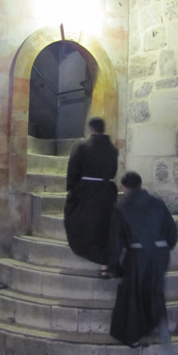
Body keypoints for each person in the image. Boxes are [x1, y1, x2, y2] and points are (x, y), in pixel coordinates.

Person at [108, 171, 177, 348]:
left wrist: (115, 267)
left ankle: (133, 337)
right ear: (140, 184)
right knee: (155, 291)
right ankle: (159, 320)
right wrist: (164, 249)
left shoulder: (121, 207)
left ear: (123, 187)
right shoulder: (158, 203)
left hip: (139, 256)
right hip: (160, 254)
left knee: (133, 296)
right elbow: (171, 231)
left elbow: (116, 240)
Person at [63, 117, 118, 278]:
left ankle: (87, 252)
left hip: (86, 191)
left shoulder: (82, 145)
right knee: (103, 227)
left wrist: (72, 189)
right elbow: (113, 171)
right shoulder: (113, 149)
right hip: (106, 191)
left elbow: (73, 168)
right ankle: (104, 265)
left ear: (91, 129)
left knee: (81, 222)